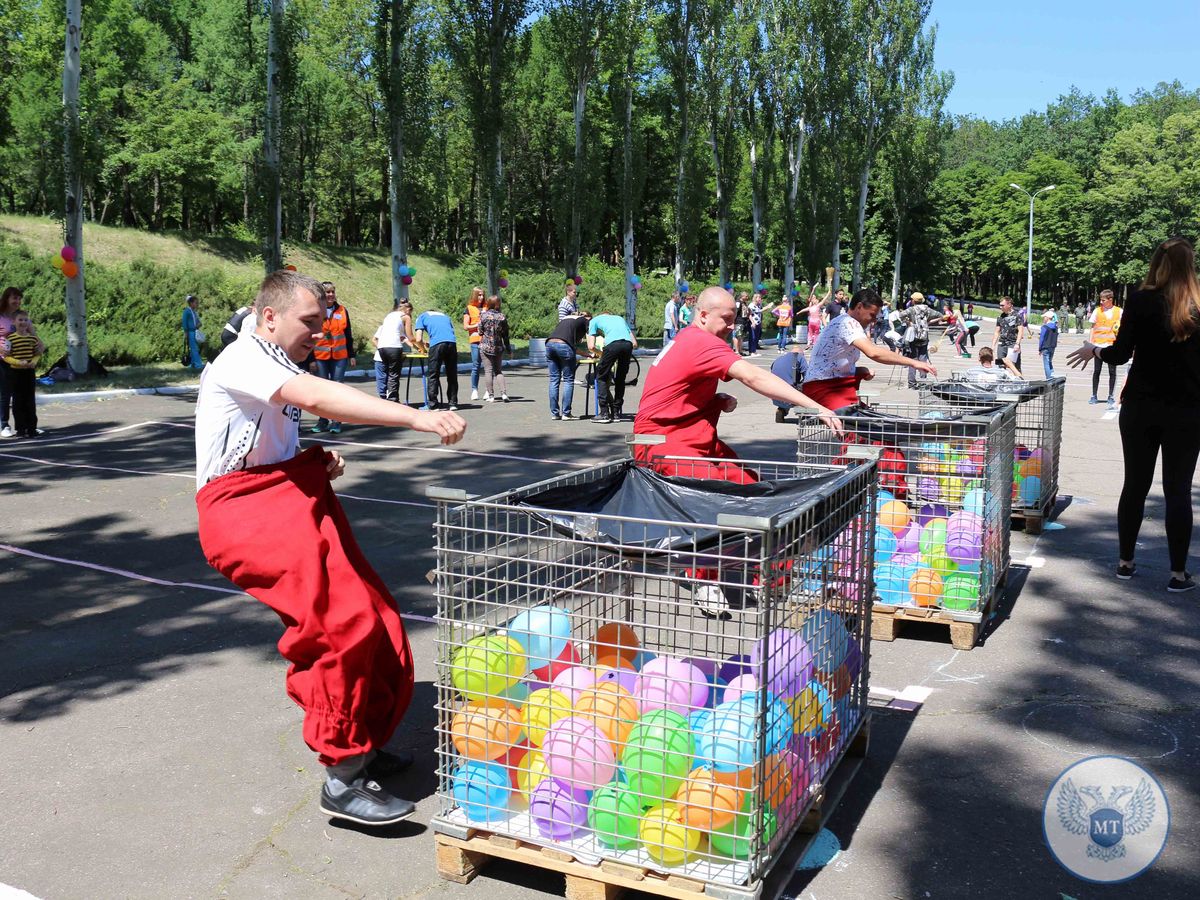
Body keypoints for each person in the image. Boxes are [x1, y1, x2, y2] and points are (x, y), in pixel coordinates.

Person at [194, 270, 466, 827]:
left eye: (322, 322)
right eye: (309, 322)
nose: (319, 333)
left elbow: (268, 439)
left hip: (284, 496)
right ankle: (342, 777)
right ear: (269, 316)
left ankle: (363, 743)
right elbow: (321, 397)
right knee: (340, 627)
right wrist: (417, 415)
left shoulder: (276, 359)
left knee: (378, 618)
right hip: (244, 512)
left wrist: (313, 459)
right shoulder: (245, 356)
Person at [1066, 238, 1200, 592]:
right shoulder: (1197, 306)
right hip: (1187, 412)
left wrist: (1094, 348)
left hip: (1141, 407)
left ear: (1157, 263)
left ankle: (1125, 563)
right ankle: (1178, 574)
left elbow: (1121, 354)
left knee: (1135, 486)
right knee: (1178, 491)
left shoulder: (1140, 300)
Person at [632, 285, 841, 484]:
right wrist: (816, 407)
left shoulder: (688, 337)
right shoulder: (702, 342)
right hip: (663, 442)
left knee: (748, 483)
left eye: (733, 318)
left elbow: (673, 390)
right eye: (726, 319)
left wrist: (714, 400)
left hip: (687, 436)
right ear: (704, 316)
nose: (732, 326)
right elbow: (753, 376)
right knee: (715, 494)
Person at [803, 288, 937, 409]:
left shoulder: (843, 321)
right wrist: (914, 362)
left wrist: (861, 371)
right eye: (872, 315)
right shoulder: (848, 323)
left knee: (869, 421)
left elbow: (832, 363)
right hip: (823, 389)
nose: (873, 321)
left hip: (830, 386)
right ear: (859, 307)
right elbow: (873, 352)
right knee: (861, 429)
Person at [311, 282, 354, 434]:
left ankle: (336, 421)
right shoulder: (315, 310)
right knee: (322, 389)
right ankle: (322, 420)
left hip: (339, 355)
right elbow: (309, 334)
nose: (330, 295)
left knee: (338, 388)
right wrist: (311, 359)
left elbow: (348, 333)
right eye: (327, 292)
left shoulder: (342, 310)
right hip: (320, 356)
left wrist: (352, 354)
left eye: (332, 292)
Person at [587, 312, 637, 423]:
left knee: (601, 377)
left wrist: (601, 354)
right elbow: (634, 343)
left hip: (612, 346)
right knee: (620, 379)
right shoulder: (620, 318)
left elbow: (591, 346)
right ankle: (616, 413)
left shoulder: (594, 320)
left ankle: (604, 413)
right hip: (627, 345)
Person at [2, 311, 43, 437]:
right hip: (15, 373)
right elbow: (5, 357)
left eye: (26, 320)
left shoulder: (32, 338)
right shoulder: (10, 339)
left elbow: (38, 353)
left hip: (29, 373)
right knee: (18, 401)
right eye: (20, 320)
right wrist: (18, 362)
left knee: (30, 400)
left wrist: (33, 362)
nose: (23, 322)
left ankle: (32, 428)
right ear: (14, 322)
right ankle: (20, 428)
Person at [546, 311, 590, 420]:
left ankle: (555, 414)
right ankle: (566, 413)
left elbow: (567, 343)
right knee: (568, 380)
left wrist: (585, 354)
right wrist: (591, 352)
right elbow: (589, 341)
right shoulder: (585, 320)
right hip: (564, 346)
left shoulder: (566, 319)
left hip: (549, 344)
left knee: (554, 380)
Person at [414, 305, 459, 411]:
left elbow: (418, 338)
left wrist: (423, 350)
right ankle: (453, 403)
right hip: (451, 343)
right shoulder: (445, 316)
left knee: (433, 374)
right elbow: (447, 333)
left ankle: (433, 405)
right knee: (452, 374)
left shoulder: (422, 316)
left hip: (437, 345)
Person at [897, 292, 943, 388]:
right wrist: (928, 322)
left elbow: (901, 315)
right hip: (924, 337)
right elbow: (939, 315)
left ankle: (912, 383)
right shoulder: (927, 309)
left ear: (913, 301)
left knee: (912, 360)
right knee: (923, 359)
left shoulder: (911, 309)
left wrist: (908, 321)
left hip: (914, 337)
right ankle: (923, 381)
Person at [372, 300, 413, 403]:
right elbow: (411, 337)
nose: (411, 315)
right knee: (393, 374)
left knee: (387, 374)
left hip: (382, 347)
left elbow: (403, 336)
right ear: (407, 310)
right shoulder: (405, 317)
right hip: (394, 347)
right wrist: (422, 347)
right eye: (411, 312)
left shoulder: (389, 316)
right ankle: (393, 400)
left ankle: (386, 398)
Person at [1089, 289, 1123, 407]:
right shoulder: (1097, 311)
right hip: (1098, 346)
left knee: (1112, 372)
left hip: (1112, 347)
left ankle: (1110, 396)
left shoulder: (1119, 312)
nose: (1101, 302)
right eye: (1100, 300)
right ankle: (1094, 395)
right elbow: (1092, 328)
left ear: (1110, 300)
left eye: (1103, 300)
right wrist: (1090, 344)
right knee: (1096, 371)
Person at [478, 295, 511, 402]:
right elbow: (506, 335)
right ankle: (504, 394)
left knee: (488, 371)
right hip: (498, 347)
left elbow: (480, 331)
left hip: (486, 346)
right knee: (498, 371)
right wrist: (509, 349)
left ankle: (491, 396)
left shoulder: (483, 316)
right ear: (498, 304)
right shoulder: (502, 317)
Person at [769, 349, 808, 423]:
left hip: (775, 393)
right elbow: (808, 376)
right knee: (810, 386)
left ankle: (781, 410)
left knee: (788, 385)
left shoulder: (779, 359)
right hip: (790, 392)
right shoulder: (800, 357)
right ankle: (806, 413)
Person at [992, 296, 1025, 374]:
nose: (1000, 307)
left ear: (1009, 304)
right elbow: (997, 332)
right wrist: (993, 346)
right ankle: (1002, 383)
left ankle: (1018, 382)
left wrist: (1017, 344)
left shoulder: (1017, 316)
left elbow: (1020, 331)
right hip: (1002, 344)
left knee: (1014, 366)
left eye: (1002, 305)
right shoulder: (1000, 317)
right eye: (1000, 305)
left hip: (1012, 344)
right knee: (1000, 366)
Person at [463, 287, 484, 401]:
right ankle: (474, 390)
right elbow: (466, 326)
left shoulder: (486, 308)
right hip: (475, 340)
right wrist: (478, 325)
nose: (481, 297)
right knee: (476, 365)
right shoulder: (469, 308)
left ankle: (488, 391)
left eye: (482, 295)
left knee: (488, 367)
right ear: (474, 295)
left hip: (487, 340)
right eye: (479, 295)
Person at [182, 295, 204, 370]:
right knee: (194, 348)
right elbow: (184, 322)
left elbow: (197, 321)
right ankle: (198, 365)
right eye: (195, 303)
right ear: (191, 303)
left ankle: (192, 364)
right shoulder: (187, 311)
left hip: (195, 331)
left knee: (194, 348)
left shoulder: (194, 312)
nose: (197, 304)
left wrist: (199, 324)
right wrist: (186, 333)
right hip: (190, 332)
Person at [1038, 309, 1059, 379]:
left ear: (1047, 318)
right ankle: (1052, 375)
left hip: (1045, 347)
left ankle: (1049, 378)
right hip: (1052, 346)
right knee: (1050, 362)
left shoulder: (1044, 327)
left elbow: (1041, 338)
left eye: (1044, 317)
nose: (1043, 318)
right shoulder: (1056, 327)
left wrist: (1040, 349)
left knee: (1046, 363)